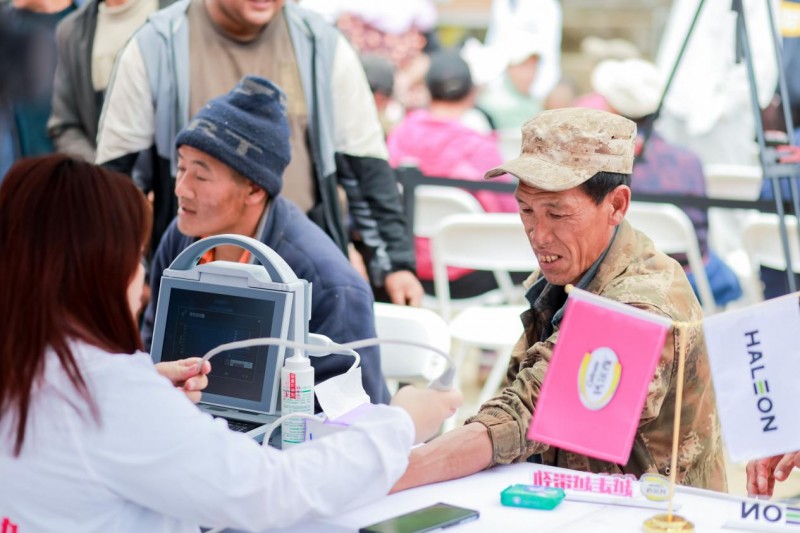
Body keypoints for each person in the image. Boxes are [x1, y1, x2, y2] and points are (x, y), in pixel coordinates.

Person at [0, 154, 462, 532]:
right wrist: (401, 423)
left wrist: (147, 393)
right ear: (96, 270)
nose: (141, 281)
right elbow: (271, 491)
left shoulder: (30, 369)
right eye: (132, 258)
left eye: (201, 173)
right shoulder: (106, 396)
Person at [392, 108, 727, 493]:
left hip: (651, 515)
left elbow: (528, 414)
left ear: (616, 205)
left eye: (557, 212)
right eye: (526, 209)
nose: (539, 234)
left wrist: (389, 471)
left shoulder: (642, 306)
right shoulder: (565, 275)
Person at [94, 0, 422, 306]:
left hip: (298, 269)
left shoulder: (321, 45)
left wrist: (395, 264)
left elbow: (364, 165)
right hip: (191, 267)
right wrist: (124, 268)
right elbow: (118, 180)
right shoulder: (156, 45)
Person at [141, 76, 392, 404]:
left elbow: (354, 417)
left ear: (256, 189)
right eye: (181, 168)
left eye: (201, 176)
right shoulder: (182, 239)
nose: (181, 189)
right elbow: (151, 350)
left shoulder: (330, 284)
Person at [584, 58, 743, 308]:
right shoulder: (688, 161)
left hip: (622, 283)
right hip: (691, 281)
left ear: (612, 109)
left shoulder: (599, 165)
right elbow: (701, 233)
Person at [387, 49, 517, 299]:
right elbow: (511, 212)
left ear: (427, 90)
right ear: (471, 94)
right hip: (469, 274)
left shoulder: (398, 136)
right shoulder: (480, 148)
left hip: (405, 271)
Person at [47, 0, 175, 162]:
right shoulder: (72, 30)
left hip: (174, 176)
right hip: (105, 178)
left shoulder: (178, 14)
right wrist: (103, 177)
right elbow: (65, 125)